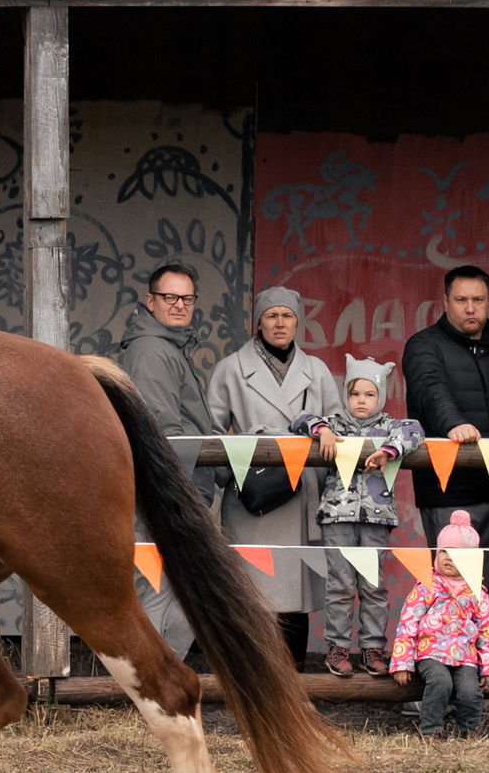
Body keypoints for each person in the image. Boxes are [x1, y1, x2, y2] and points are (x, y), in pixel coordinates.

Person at [207, 284, 339, 662]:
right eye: (271, 316)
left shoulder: (316, 370)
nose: (280, 323)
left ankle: (294, 684)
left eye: (287, 316)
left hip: (302, 496)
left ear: (298, 322)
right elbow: (212, 435)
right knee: (254, 598)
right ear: (258, 322)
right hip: (252, 499)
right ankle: (256, 685)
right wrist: (236, 470)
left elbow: (337, 424)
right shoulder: (231, 369)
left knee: (294, 600)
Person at [116, 260, 222, 664]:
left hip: (179, 484)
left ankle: (155, 678)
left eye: (187, 298)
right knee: (160, 588)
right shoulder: (153, 351)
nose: (179, 305)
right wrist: (178, 497)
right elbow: (164, 428)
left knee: (177, 588)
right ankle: (150, 681)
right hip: (168, 488)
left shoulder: (168, 346)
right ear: (150, 300)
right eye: (170, 297)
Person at [294, 356, 421, 678]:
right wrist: (321, 431)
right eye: (355, 394)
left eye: (369, 394)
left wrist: (389, 451)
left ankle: (372, 647)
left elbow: (414, 430)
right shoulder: (335, 424)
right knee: (340, 585)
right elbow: (300, 419)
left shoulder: (391, 426)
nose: (361, 401)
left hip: (375, 520)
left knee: (373, 586)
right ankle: (337, 648)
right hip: (337, 518)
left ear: (380, 396)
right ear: (346, 396)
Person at [400, 265, 489, 549]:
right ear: (445, 302)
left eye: (478, 300)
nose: (470, 308)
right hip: (448, 492)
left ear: (488, 302)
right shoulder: (424, 345)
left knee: (482, 589)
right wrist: (454, 424)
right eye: (461, 300)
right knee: (450, 588)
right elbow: (431, 392)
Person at [390, 511, 489, 740]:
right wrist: (402, 663)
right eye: (444, 551)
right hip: (431, 654)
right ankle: (432, 729)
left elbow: (488, 632)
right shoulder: (426, 586)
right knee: (440, 683)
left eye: (457, 554)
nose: (448, 558)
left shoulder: (477, 593)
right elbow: (408, 622)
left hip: (465, 657)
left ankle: (469, 731)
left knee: (471, 692)